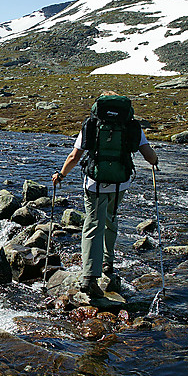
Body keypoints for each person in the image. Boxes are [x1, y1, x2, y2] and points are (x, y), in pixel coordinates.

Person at [51, 91, 158, 298]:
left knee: (92, 226)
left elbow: (75, 156)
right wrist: (155, 161)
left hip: (94, 184)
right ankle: (108, 264)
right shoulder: (130, 125)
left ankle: (89, 278)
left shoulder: (92, 124)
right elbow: (149, 155)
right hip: (120, 183)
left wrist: (61, 175)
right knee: (111, 219)